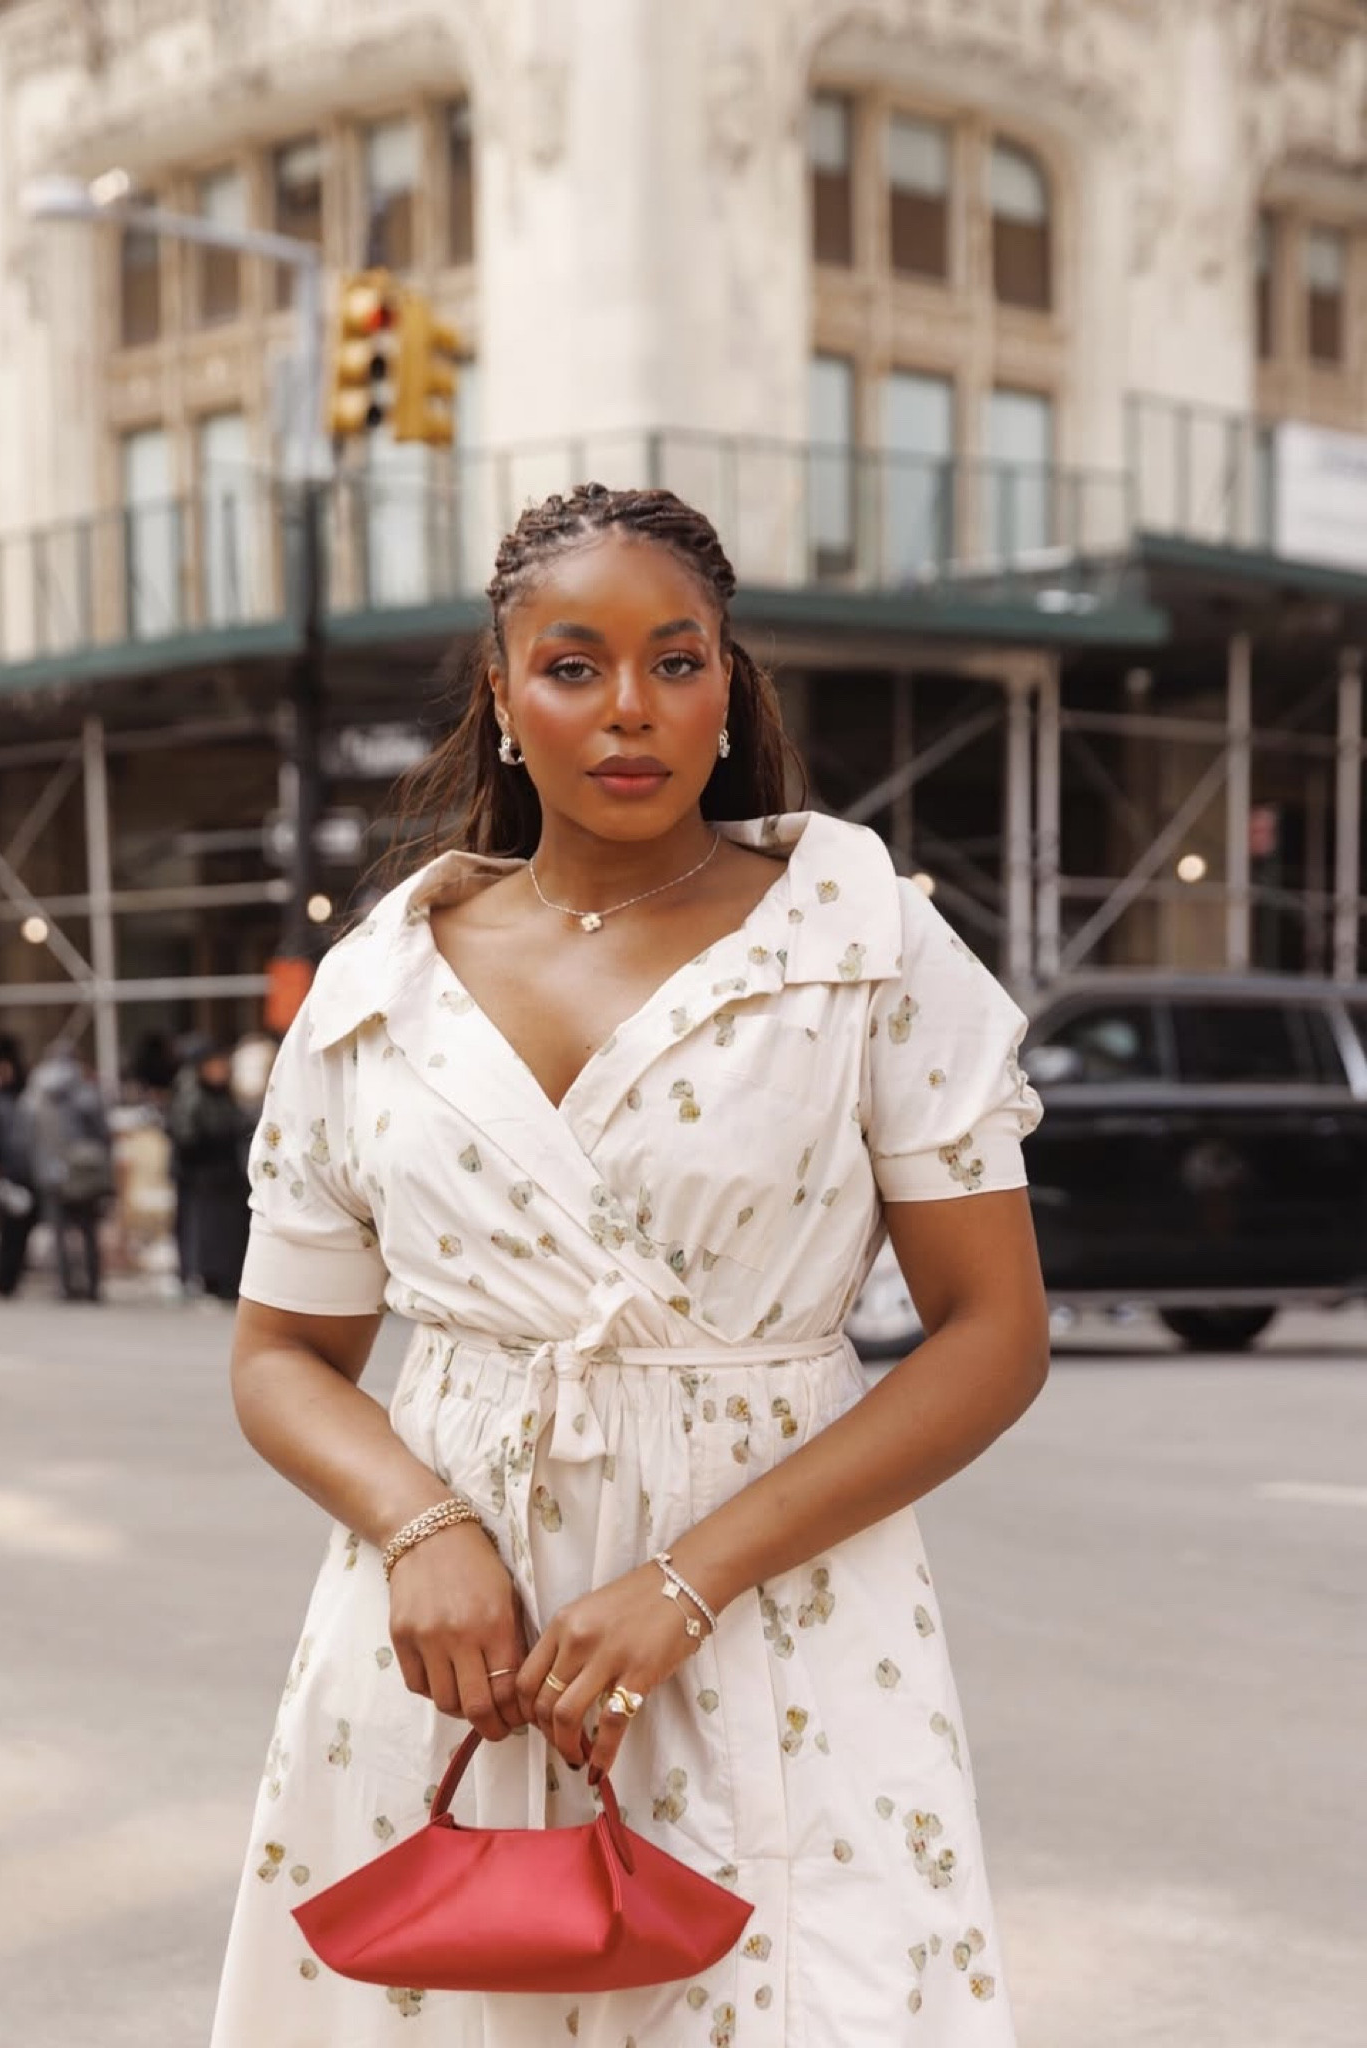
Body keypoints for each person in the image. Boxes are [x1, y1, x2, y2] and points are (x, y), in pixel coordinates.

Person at [212, 484, 1048, 2046]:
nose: (629, 712)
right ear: (504, 694)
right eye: (574, 665)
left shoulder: (858, 946)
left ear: (731, 687)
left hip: (780, 1621)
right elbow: (279, 1358)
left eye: (677, 662)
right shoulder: (378, 984)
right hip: (460, 1648)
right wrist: (420, 1526)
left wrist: (690, 1578)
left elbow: (993, 1332)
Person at [20, 1046, 114, 1302]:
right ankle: (92, 1284)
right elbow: (102, 1131)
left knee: (59, 1231)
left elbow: (27, 1134)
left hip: (49, 1169)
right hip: (84, 1170)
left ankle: (64, 1284)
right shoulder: (85, 1091)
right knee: (88, 1229)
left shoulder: (34, 1094)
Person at [167, 1044, 252, 1301]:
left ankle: (226, 1278)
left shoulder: (224, 1097)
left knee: (227, 1232)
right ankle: (209, 1278)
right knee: (207, 1232)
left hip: (226, 1178)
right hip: (203, 1179)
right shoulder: (193, 1096)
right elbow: (186, 1136)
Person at [0, 1036, 36, 1298]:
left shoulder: (19, 1095)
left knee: (16, 1226)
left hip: (20, 1167)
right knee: (3, 1226)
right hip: (4, 1166)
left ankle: (6, 1276)